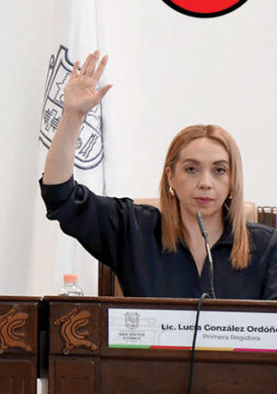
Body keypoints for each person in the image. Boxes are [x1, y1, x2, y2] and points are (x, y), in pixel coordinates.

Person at [41, 51, 277, 299]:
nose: (205, 183)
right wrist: (72, 116)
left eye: (219, 170)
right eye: (191, 169)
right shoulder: (133, 231)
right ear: (170, 177)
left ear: (233, 180)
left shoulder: (267, 248)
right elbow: (60, 195)